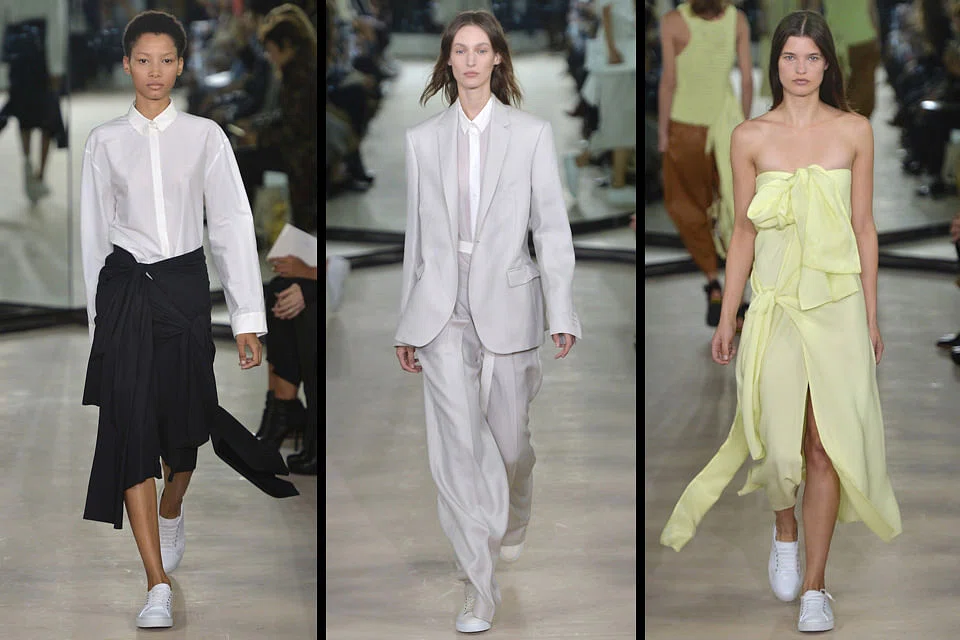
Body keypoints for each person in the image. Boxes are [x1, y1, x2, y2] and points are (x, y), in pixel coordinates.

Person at [659, 10, 902, 633]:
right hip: (775, 304)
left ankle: (816, 587)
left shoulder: (854, 131)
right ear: (775, 65)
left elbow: (864, 228)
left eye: (812, 58)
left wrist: (871, 315)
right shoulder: (750, 137)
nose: (800, 69)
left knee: (825, 443)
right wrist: (728, 314)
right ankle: (784, 527)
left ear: (827, 64)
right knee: (776, 442)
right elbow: (742, 232)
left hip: (838, 305)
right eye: (790, 57)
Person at [79, 10, 299, 629]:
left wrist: (247, 317)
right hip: (125, 293)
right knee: (130, 429)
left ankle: (172, 506)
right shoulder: (103, 142)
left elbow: (230, 223)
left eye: (166, 60)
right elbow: (93, 238)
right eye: (142, 60)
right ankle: (155, 583)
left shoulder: (205, 136)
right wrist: (98, 329)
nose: (154, 71)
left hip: (183, 289)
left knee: (184, 432)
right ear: (127, 64)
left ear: (180, 64)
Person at [394, 10, 581, 634]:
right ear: (447, 60)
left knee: (509, 446)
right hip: (442, 308)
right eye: (460, 51)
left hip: (509, 301)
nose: (471, 60)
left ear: (498, 57)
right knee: (457, 448)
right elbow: (416, 238)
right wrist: (406, 323)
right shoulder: (422, 140)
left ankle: (515, 504)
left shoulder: (530, 134)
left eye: (481, 50)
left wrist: (562, 309)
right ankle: (479, 585)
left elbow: (550, 227)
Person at [657, 0, 752, 327]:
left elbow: (669, 81)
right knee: (738, 210)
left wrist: (662, 133)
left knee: (686, 205)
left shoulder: (672, 22)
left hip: (686, 126)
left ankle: (713, 282)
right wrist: (746, 126)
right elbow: (746, 80)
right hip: (728, 124)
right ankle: (739, 298)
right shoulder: (737, 20)